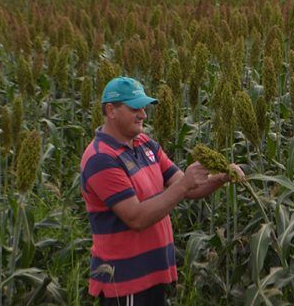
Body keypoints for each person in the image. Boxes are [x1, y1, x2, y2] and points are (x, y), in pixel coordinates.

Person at [80, 76, 244, 305]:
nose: (143, 115)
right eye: (135, 108)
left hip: (155, 273)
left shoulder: (145, 143)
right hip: (126, 281)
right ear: (111, 110)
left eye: (144, 108)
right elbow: (136, 217)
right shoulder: (101, 158)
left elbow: (187, 189)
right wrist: (185, 183)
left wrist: (221, 178)